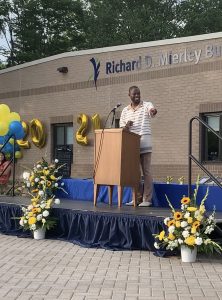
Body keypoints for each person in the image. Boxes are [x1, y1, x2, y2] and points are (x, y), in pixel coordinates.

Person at [119, 86, 157, 207]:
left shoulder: (146, 105)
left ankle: (147, 199)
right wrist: (127, 126)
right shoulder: (125, 110)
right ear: (129, 95)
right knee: (134, 173)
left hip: (144, 142)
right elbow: (122, 129)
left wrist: (153, 111)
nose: (137, 96)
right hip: (131, 145)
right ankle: (136, 198)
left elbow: (152, 110)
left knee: (146, 171)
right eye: (134, 94)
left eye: (138, 94)